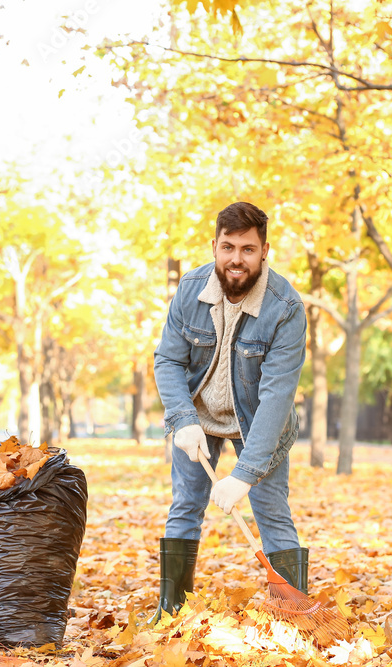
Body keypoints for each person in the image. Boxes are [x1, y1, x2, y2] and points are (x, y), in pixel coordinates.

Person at [152, 201, 308, 620]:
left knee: (273, 514)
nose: (236, 259)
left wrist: (244, 475)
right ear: (215, 246)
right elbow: (168, 360)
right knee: (185, 506)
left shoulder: (285, 308)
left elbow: (276, 398)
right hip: (198, 420)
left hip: (258, 424)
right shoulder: (191, 289)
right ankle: (171, 610)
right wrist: (182, 420)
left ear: (265, 250)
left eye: (248, 249)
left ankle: (293, 615)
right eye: (228, 247)